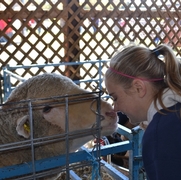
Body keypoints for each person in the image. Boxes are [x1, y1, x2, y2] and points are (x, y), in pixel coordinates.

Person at [104, 43, 181, 180]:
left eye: (115, 98)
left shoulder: (159, 133)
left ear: (138, 88)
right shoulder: (173, 114)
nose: (115, 108)